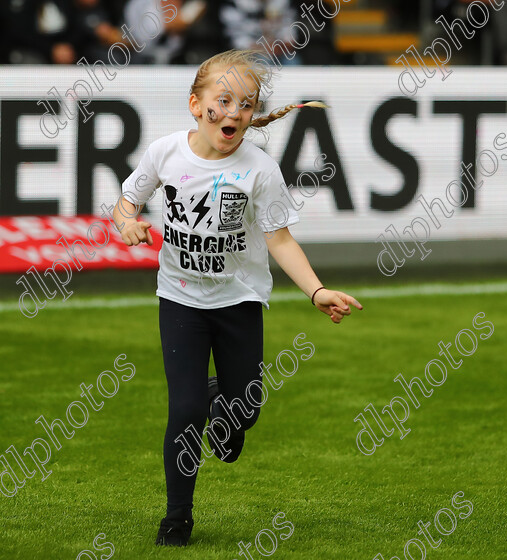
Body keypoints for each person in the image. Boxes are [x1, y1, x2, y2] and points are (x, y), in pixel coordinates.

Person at [112, 49, 362, 547]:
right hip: (180, 300)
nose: (233, 113)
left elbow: (280, 240)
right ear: (195, 104)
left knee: (242, 416)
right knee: (182, 410)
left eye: (245, 105)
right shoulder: (164, 153)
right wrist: (127, 226)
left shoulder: (261, 170)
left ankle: (220, 400)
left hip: (239, 303)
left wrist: (315, 290)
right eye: (222, 100)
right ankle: (177, 518)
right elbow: (126, 202)